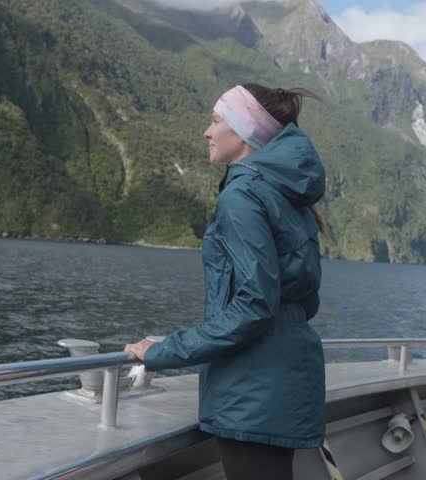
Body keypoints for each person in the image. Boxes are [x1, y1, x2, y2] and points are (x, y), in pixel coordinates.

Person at [124, 83, 327, 480]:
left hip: (252, 391)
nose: (206, 131)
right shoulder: (288, 198)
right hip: (283, 382)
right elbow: (305, 302)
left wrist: (162, 351)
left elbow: (254, 305)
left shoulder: (242, 196)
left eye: (216, 120)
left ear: (245, 130)